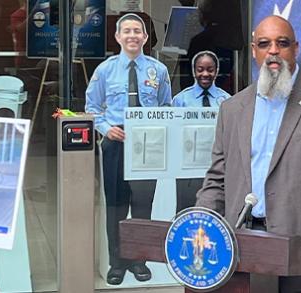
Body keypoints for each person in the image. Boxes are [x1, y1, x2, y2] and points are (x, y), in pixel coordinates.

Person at [196, 15, 301, 292]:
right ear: (253, 51)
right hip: (239, 252)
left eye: (282, 43)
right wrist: (199, 227)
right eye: (264, 43)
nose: (273, 50)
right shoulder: (232, 108)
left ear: (296, 49)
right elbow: (217, 179)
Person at [85, 13, 172, 286]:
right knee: (116, 206)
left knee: (143, 204)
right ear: (118, 37)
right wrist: (106, 129)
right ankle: (117, 262)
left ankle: (139, 259)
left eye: (138, 31)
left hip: (147, 145)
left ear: (145, 37)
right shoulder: (105, 70)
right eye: (127, 31)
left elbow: (166, 108)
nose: (133, 35)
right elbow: (91, 109)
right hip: (116, 144)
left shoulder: (158, 71)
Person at [172, 50, 230, 213]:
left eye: (210, 69)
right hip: (187, 172)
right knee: (186, 212)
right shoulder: (180, 100)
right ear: (194, 71)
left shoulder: (227, 101)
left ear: (216, 71)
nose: (205, 74)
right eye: (200, 69)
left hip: (217, 170)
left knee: (215, 212)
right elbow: (174, 138)